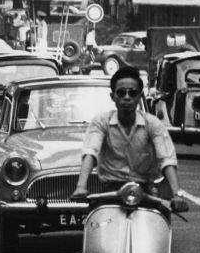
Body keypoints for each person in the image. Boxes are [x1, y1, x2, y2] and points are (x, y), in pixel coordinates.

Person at [71, 66, 186, 211]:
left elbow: (167, 159)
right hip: (109, 192)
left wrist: (177, 194)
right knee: (96, 225)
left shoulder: (153, 124)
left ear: (139, 96)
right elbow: (90, 152)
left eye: (132, 93)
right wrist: (80, 187)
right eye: (121, 93)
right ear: (113, 97)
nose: (127, 97)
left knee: (160, 220)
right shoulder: (101, 122)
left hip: (144, 192)